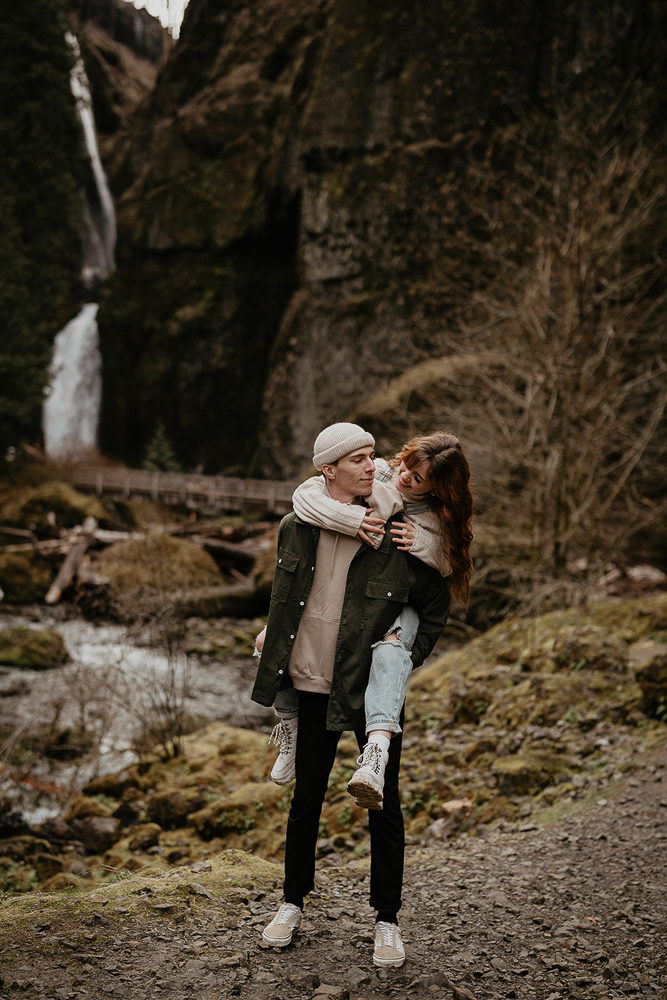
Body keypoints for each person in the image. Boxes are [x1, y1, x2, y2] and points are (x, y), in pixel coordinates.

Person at [251, 422, 451, 967]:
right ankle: (291, 904)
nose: (374, 466)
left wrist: (407, 656)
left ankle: (387, 922)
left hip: (368, 688)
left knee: (383, 806)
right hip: (311, 682)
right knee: (305, 801)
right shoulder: (297, 526)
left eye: (372, 456)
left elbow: (435, 602)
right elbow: (284, 598)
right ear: (328, 470)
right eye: (359, 459)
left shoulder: (395, 531)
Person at [260, 431, 473, 810]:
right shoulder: (381, 477)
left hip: (397, 605)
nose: (404, 477)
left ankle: (377, 750)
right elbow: (306, 493)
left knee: (392, 649)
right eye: (405, 466)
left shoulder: (436, 519)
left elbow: (445, 572)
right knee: (269, 640)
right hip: (355, 611)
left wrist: (424, 545)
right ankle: (288, 722)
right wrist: (349, 518)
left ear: (439, 489)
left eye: (418, 478)